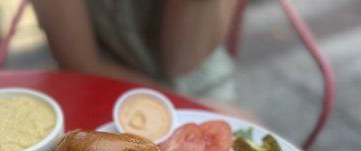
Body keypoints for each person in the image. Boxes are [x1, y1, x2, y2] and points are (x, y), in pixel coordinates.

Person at [32, 0, 240, 108]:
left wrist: (192, 106)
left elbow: (180, 64)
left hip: (199, 84)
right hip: (104, 82)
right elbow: (79, 62)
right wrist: (179, 104)